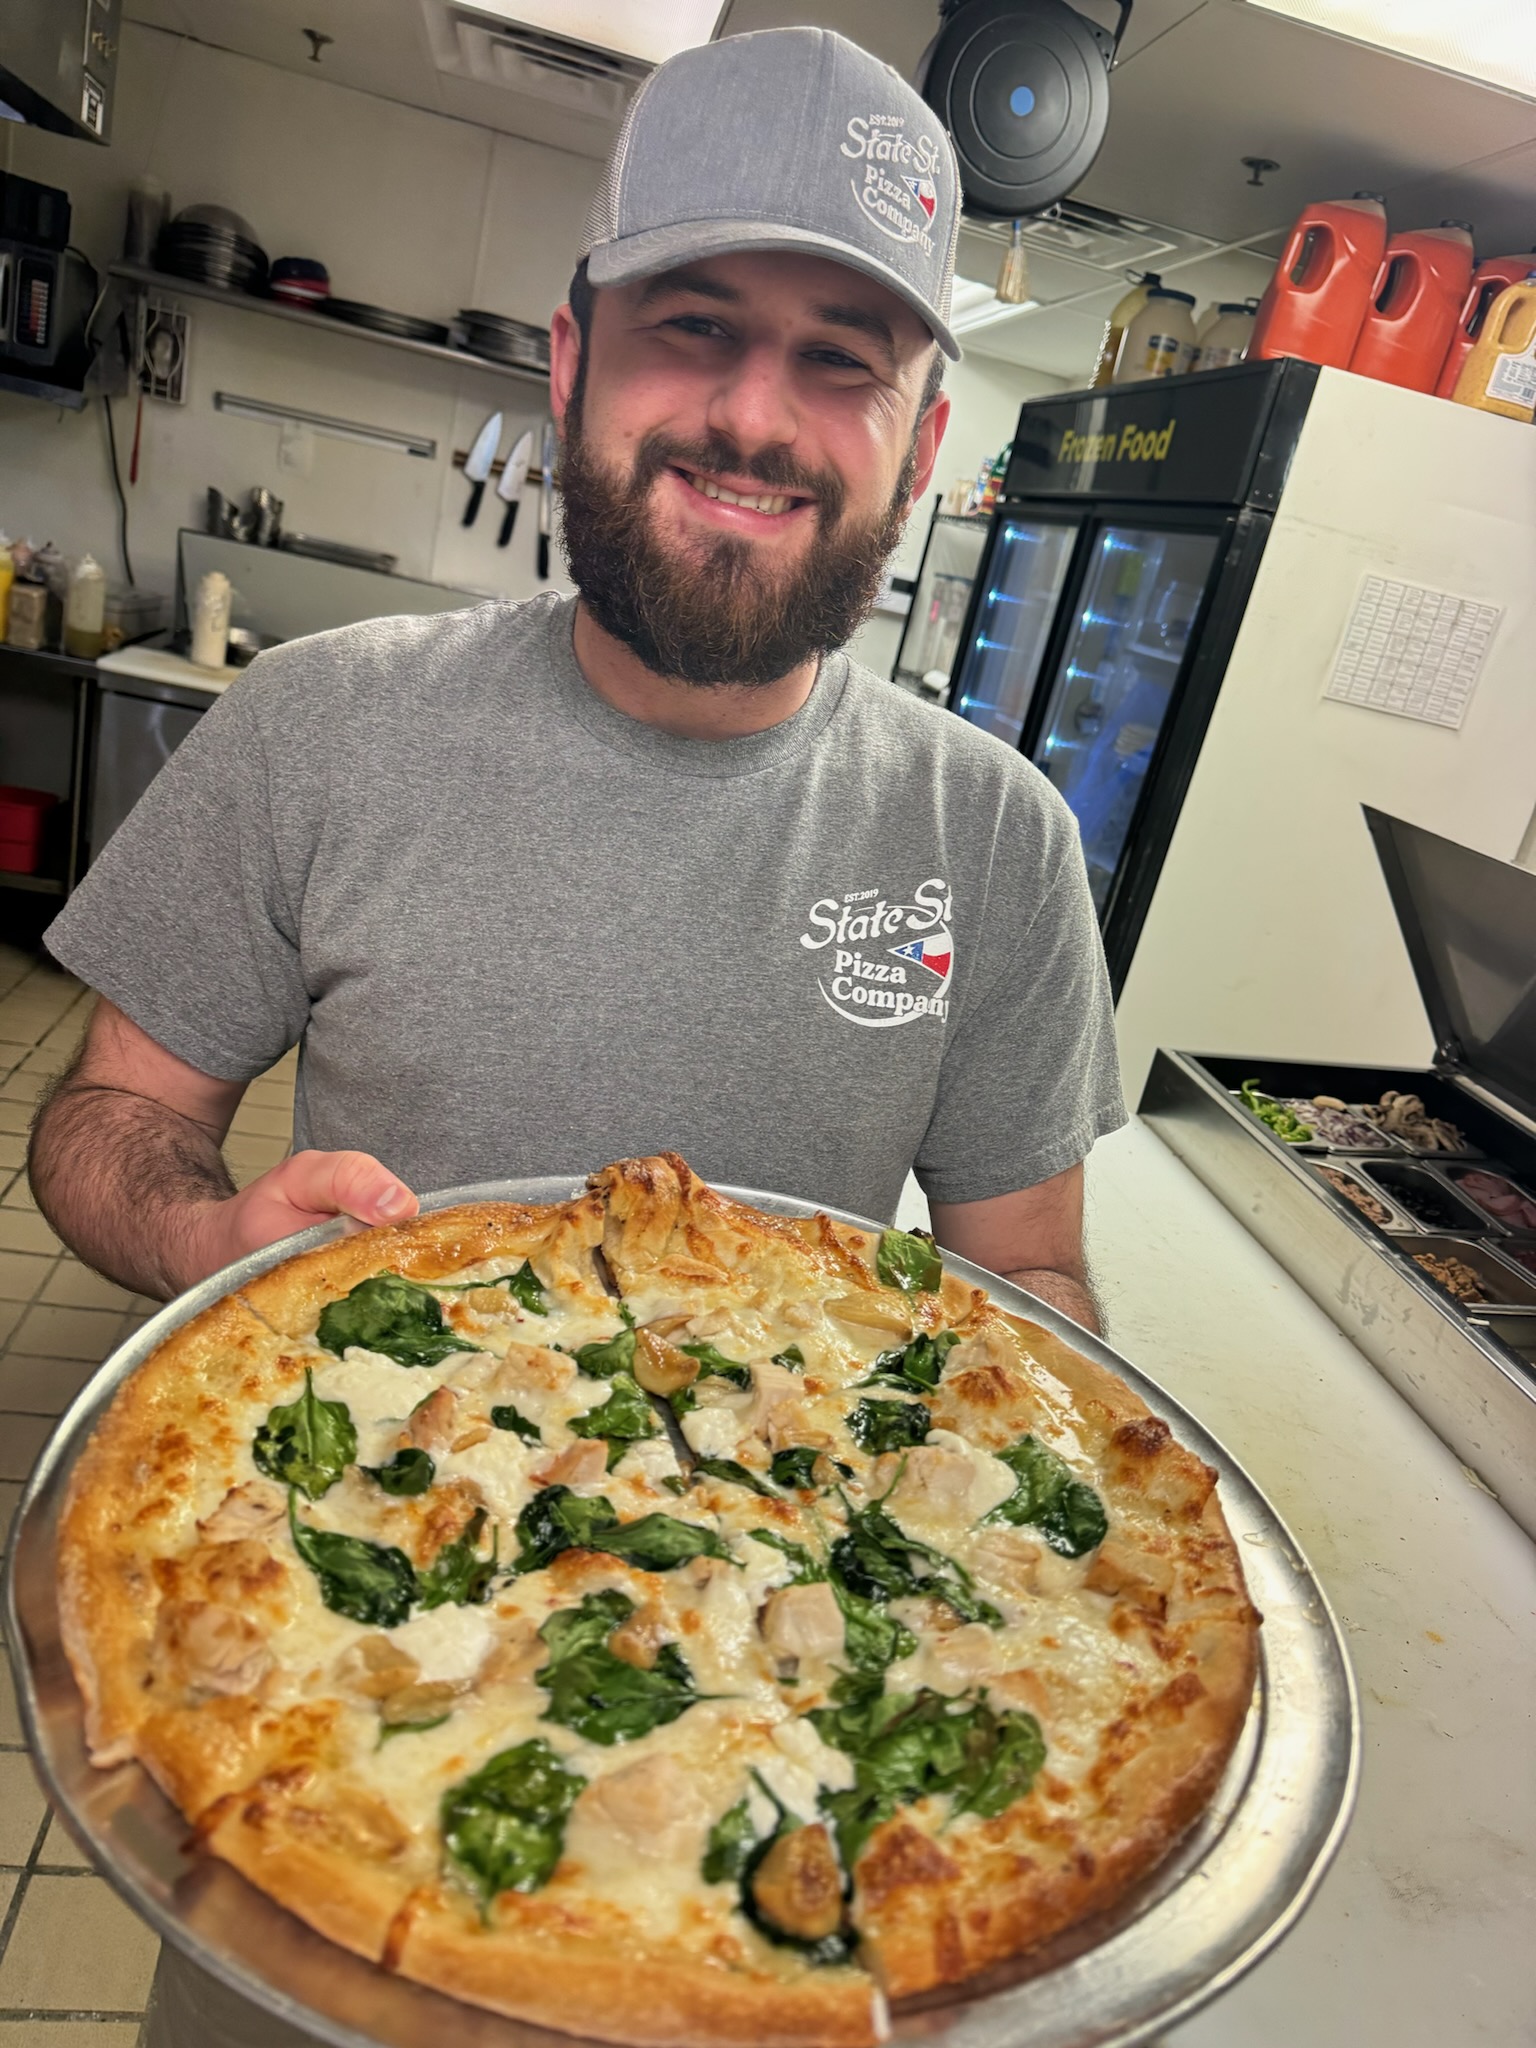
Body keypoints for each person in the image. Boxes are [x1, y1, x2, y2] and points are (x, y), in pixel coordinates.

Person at [29, 26, 1124, 2045]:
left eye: (839, 361)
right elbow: (103, 1123)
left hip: (808, 1822)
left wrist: (1024, 1596)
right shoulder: (316, 730)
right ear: (571, 361)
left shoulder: (1000, 838)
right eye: (694, 327)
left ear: (928, 444)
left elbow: (1031, 1280)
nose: (753, 417)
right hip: (326, 1807)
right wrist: (207, 1240)